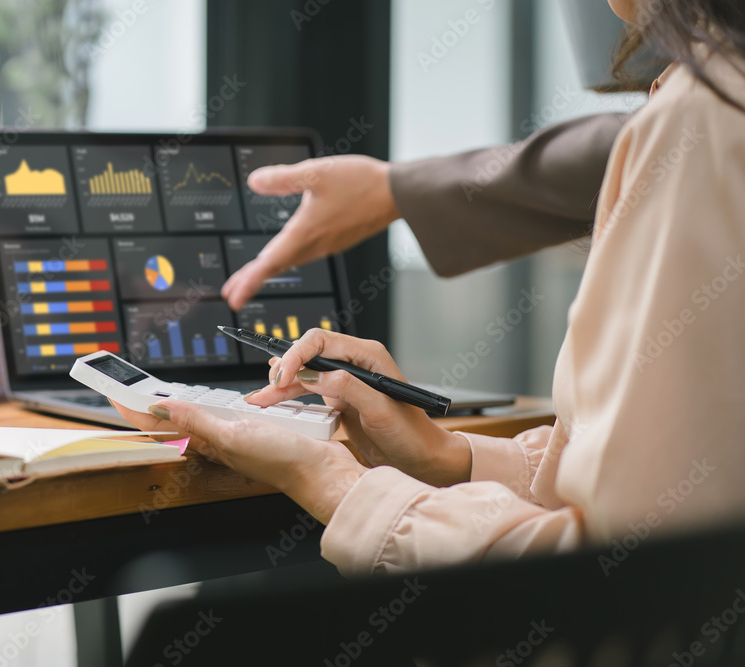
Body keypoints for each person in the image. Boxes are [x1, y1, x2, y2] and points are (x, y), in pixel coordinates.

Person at [116, 0, 745, 577]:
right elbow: (647, 491)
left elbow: (619, 588)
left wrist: (336, 483)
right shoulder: (703, 106)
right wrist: (443, 455)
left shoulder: (708, 114)